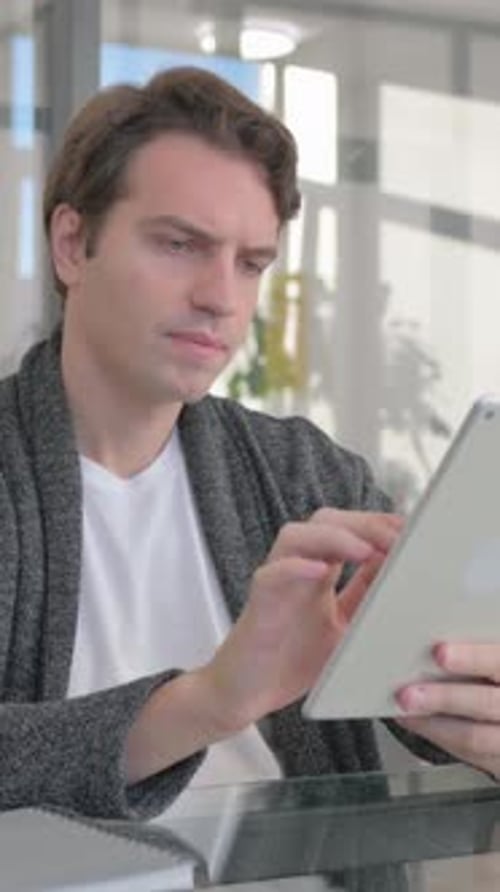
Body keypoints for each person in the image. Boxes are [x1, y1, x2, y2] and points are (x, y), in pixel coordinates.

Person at [1, 67, 498, 823]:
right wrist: (210, 700)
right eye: (178, 245)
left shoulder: (307, 476)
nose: (222, 298)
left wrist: (470, 709)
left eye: (251, 263)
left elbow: (434, 707)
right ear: (72, 244)